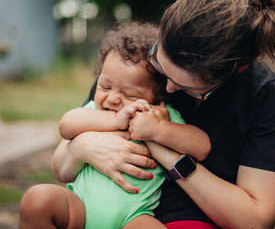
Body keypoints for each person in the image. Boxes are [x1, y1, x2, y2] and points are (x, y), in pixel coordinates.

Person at [50, 0, 275, 229]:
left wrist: (167, 153)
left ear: (226, 76)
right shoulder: (138, 61)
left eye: (187, 87)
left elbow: (256, 221)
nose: (169, 87)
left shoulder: (263, 93)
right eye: (160, 65)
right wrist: (80, 147)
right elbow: (61, 165)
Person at [18, 21, 211, 229]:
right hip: (79, 208)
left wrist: (159, 129)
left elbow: (202, 147)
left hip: (132, 217)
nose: (112, 99)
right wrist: (116, 120)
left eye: (129, 94)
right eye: (105, 86)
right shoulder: (96, 112)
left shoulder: (158, 116)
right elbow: (66, 125)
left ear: (156, 97)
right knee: (37, 199)